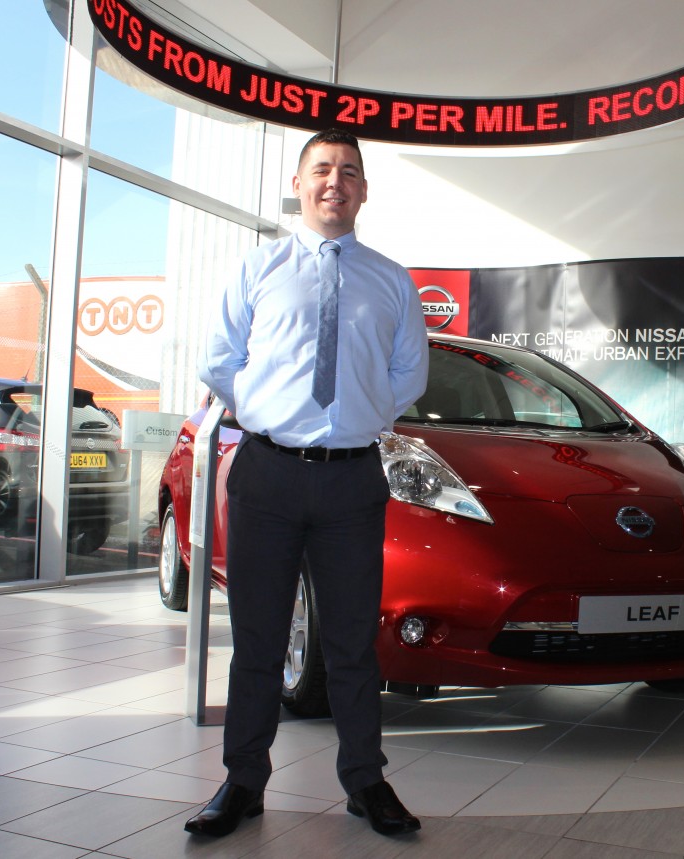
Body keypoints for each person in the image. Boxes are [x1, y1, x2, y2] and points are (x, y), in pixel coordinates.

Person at [185, 128, 429, 839]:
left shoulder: (391, 278)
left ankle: (365, 780)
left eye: (349, 171)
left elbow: (408, 374)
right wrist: (265, 412)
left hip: (352, 480)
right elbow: (219, 358)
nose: (335, 181)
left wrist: (360, 416)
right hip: (266, 473)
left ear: (363, 190)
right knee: (258, 638)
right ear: (299, 184)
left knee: (353, 641)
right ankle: (242, 782)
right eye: (322, 168)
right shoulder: (260, 267)